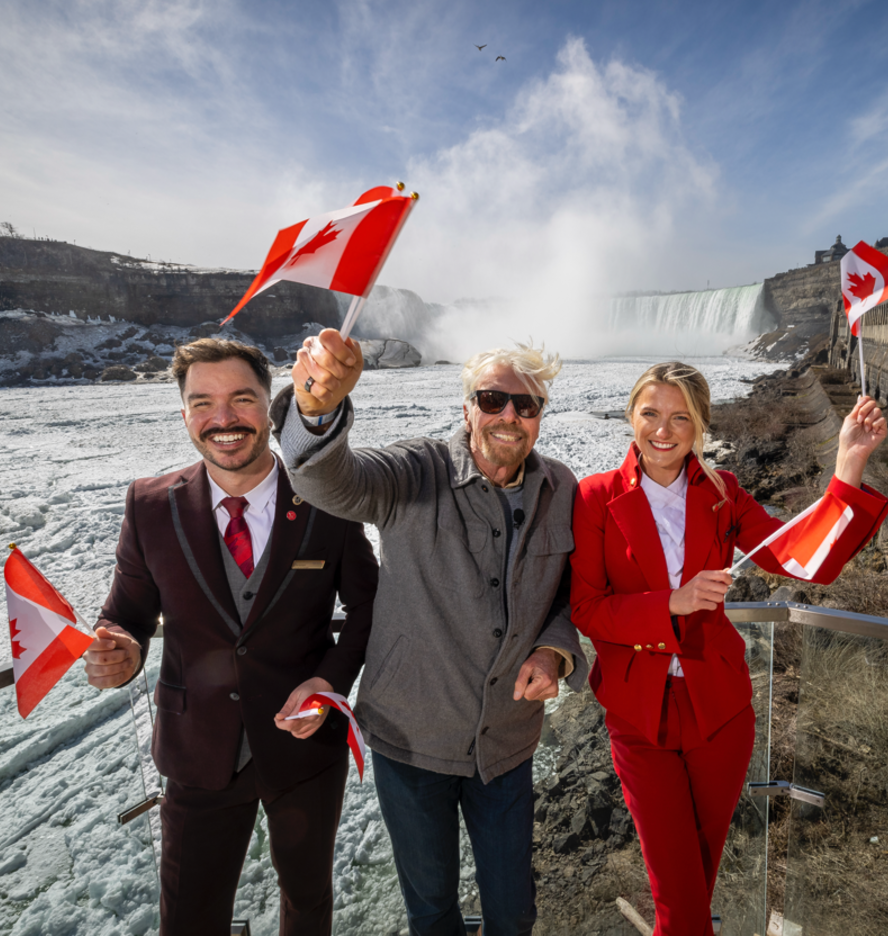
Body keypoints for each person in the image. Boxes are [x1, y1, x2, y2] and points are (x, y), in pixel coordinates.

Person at [273, 328, 587, 936]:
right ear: (467, 406)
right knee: (432, 913)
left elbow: (576, 594)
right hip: (411, 743)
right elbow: (328, 481)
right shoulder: (415, 472)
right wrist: (316, 410)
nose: (509, 416)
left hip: (506, 742)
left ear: (540, 418)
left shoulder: (562, 490)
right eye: (493, 399)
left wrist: (554, 650)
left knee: (513, 913)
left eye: (526, 405)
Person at [569, 361, 888, 936]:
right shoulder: (594, 498)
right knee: (679, 894)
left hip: (720, 711)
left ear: (699, 427)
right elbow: (587, 610)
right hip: (638, 716)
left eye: (680, 418)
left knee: (698, 878)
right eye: (650, 414)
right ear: (631, 417)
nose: (662, 431)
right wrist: (673, 601)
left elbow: (797, 558)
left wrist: (848, 464)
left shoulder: (723, 493)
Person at [82, 338, 378, 936]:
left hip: (304, 749)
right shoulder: (148, 506)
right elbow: (128, 614)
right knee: (189, 918)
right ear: (184, 413)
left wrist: (328, 682)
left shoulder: (326, 499)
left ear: (270, 407)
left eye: (242, 399)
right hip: (196, 753)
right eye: (203, 403)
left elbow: (370, 606)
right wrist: (121, 649)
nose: (223, 419)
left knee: (308, 904)